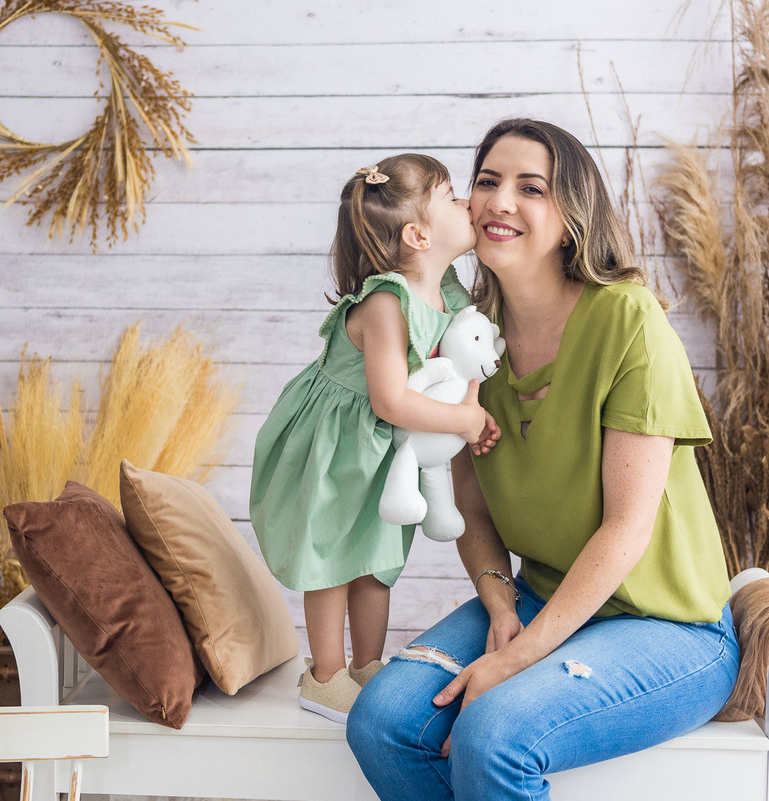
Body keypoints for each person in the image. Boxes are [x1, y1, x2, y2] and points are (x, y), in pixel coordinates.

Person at [346, 119, 740, 800]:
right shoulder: (462, 337)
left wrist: (522, 654)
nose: (501, 200)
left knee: (494, 733)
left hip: (670, 628)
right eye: (488, 181)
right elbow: (467, 504)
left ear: (571, 220)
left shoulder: (628, 321)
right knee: (381, 720)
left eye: (532, 188)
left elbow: (626, 529)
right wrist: (501, 604)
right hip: (538, 595)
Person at [250, 154, 500, 724]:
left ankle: (367, 664)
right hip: (339, 440)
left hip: (387, 448)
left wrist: (472, 410)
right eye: (454, 197)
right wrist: (460, 423)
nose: (468, 204)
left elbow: (468, 360)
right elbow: (389, 399)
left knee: (378, 557)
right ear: (418, 234)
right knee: (335, 554)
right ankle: (325, 675)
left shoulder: (452, 291)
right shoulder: (387, 301)